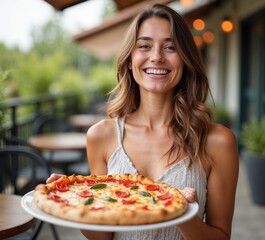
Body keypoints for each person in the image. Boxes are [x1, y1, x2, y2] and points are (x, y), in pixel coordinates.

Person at [47, 3, 238, 240]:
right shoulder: (101, 136)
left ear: (186, 59)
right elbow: (101, 237)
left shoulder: (218, 142)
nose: (156, 57)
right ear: (129, 60)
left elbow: (221, 236)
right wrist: (71, 201)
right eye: (144, 46)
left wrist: (184, 215)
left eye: (170, 47)